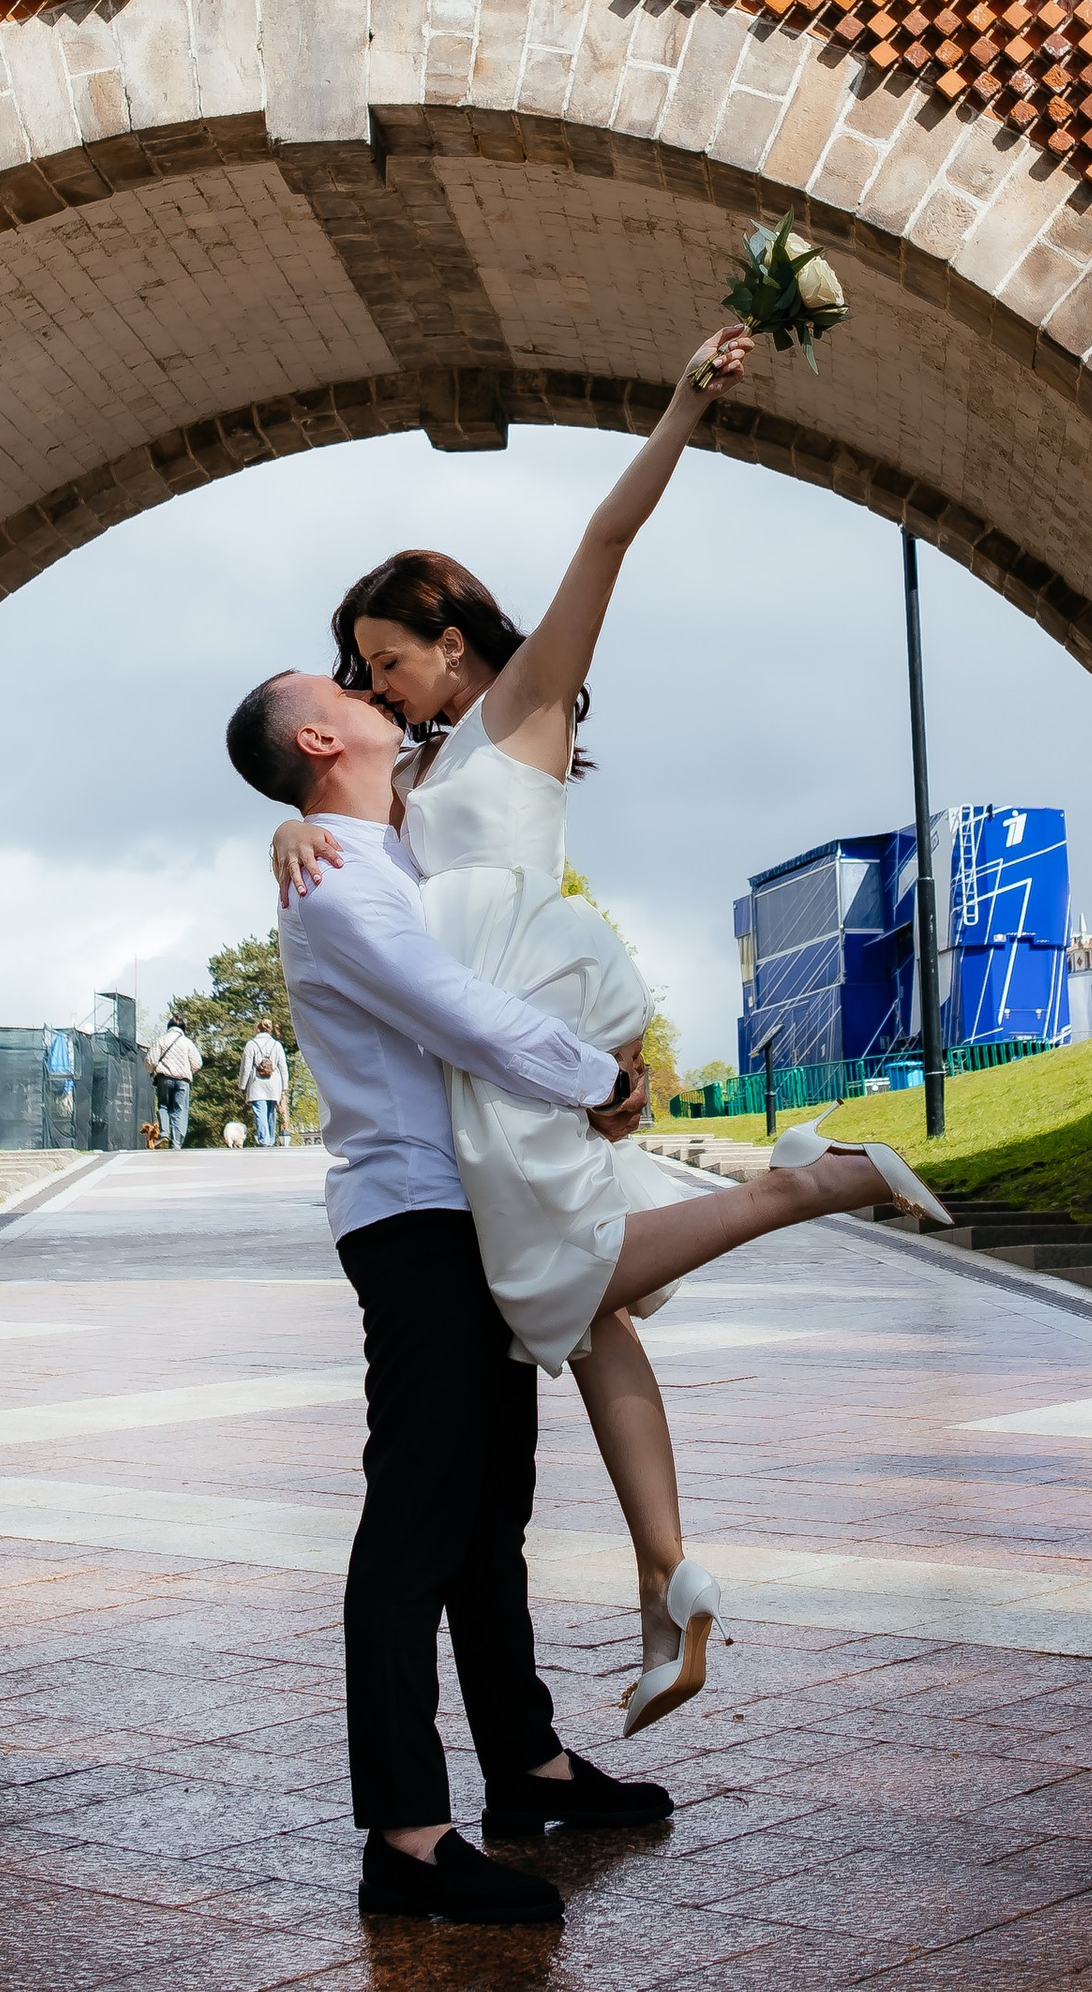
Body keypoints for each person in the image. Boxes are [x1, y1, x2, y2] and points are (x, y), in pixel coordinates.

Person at [266, 322, 945, 1741]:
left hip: (519, 1021)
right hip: (489, 1049)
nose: (375, 685)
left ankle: (807, 1185)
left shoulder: (520, 706)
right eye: (360, 671)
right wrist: (291, 825)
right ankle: (667, 1579)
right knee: (590, 1316)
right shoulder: (420, 763)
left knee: (554, 1282)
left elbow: (604, 541)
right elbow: (345, 830)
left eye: (386, 660)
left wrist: (685, 401)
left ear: (453, 648)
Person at [225, 665, 677, 1928]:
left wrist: (287, 813)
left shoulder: (377, 847)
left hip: (465, 1210)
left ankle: (526, 1768)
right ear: (320, 736)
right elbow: (461, 1012)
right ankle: (407, 1835)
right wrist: (600, 1080)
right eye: (345, 688)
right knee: (417, 1520)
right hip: (415, 1222)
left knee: (491, 1511)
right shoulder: (333, 886)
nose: (375, 689)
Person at [145, 1017, 202, 1149]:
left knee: (163, 1106)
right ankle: (176, 1143)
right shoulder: (188, 1043)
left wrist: (152, 1071)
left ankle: (164, 1133)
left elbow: (150, 1061)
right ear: (183, 1029)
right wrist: (188, 1071)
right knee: (180, 1110)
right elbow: (198, 1063)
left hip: (164, 1078)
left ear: (168, 1027)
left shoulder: (161, 1040)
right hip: (183, 1080)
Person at [237, 1020, 290, 1149]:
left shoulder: (251, 1044)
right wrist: (284, 1086)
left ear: (257, 1029)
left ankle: (263, 1139)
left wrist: (242, 1085)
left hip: (257, 1083)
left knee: (260, 1112)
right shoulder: (276, 1045)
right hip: (274, 1083)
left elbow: (246, 1067)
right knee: (271, 1112)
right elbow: (283, 1066)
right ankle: (271, 1139)